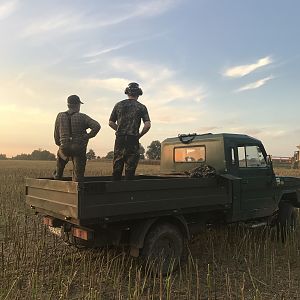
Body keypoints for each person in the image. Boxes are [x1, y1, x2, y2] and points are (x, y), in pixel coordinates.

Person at [109, 82, 151, 180]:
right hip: (133, 140)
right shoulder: (141, 107)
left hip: (120, 140)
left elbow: (111, 122)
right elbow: (147, 125)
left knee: (117, 169)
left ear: (127, 93)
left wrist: (120, 129)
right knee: (130, 171)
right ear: (139, 94)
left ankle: (114, 190)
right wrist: (139, 135)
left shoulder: (118, 105)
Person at [53, 95, 101, 181]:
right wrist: (87, 136)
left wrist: (59, 144)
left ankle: (57, 175)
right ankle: (77, 185)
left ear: (68, 105)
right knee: (78, 174)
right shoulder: (82, 117)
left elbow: (56, 134)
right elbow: (96, 126)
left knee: (60, 158)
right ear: (78, 105)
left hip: (64, 146)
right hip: (78, 147)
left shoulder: (60, 116)